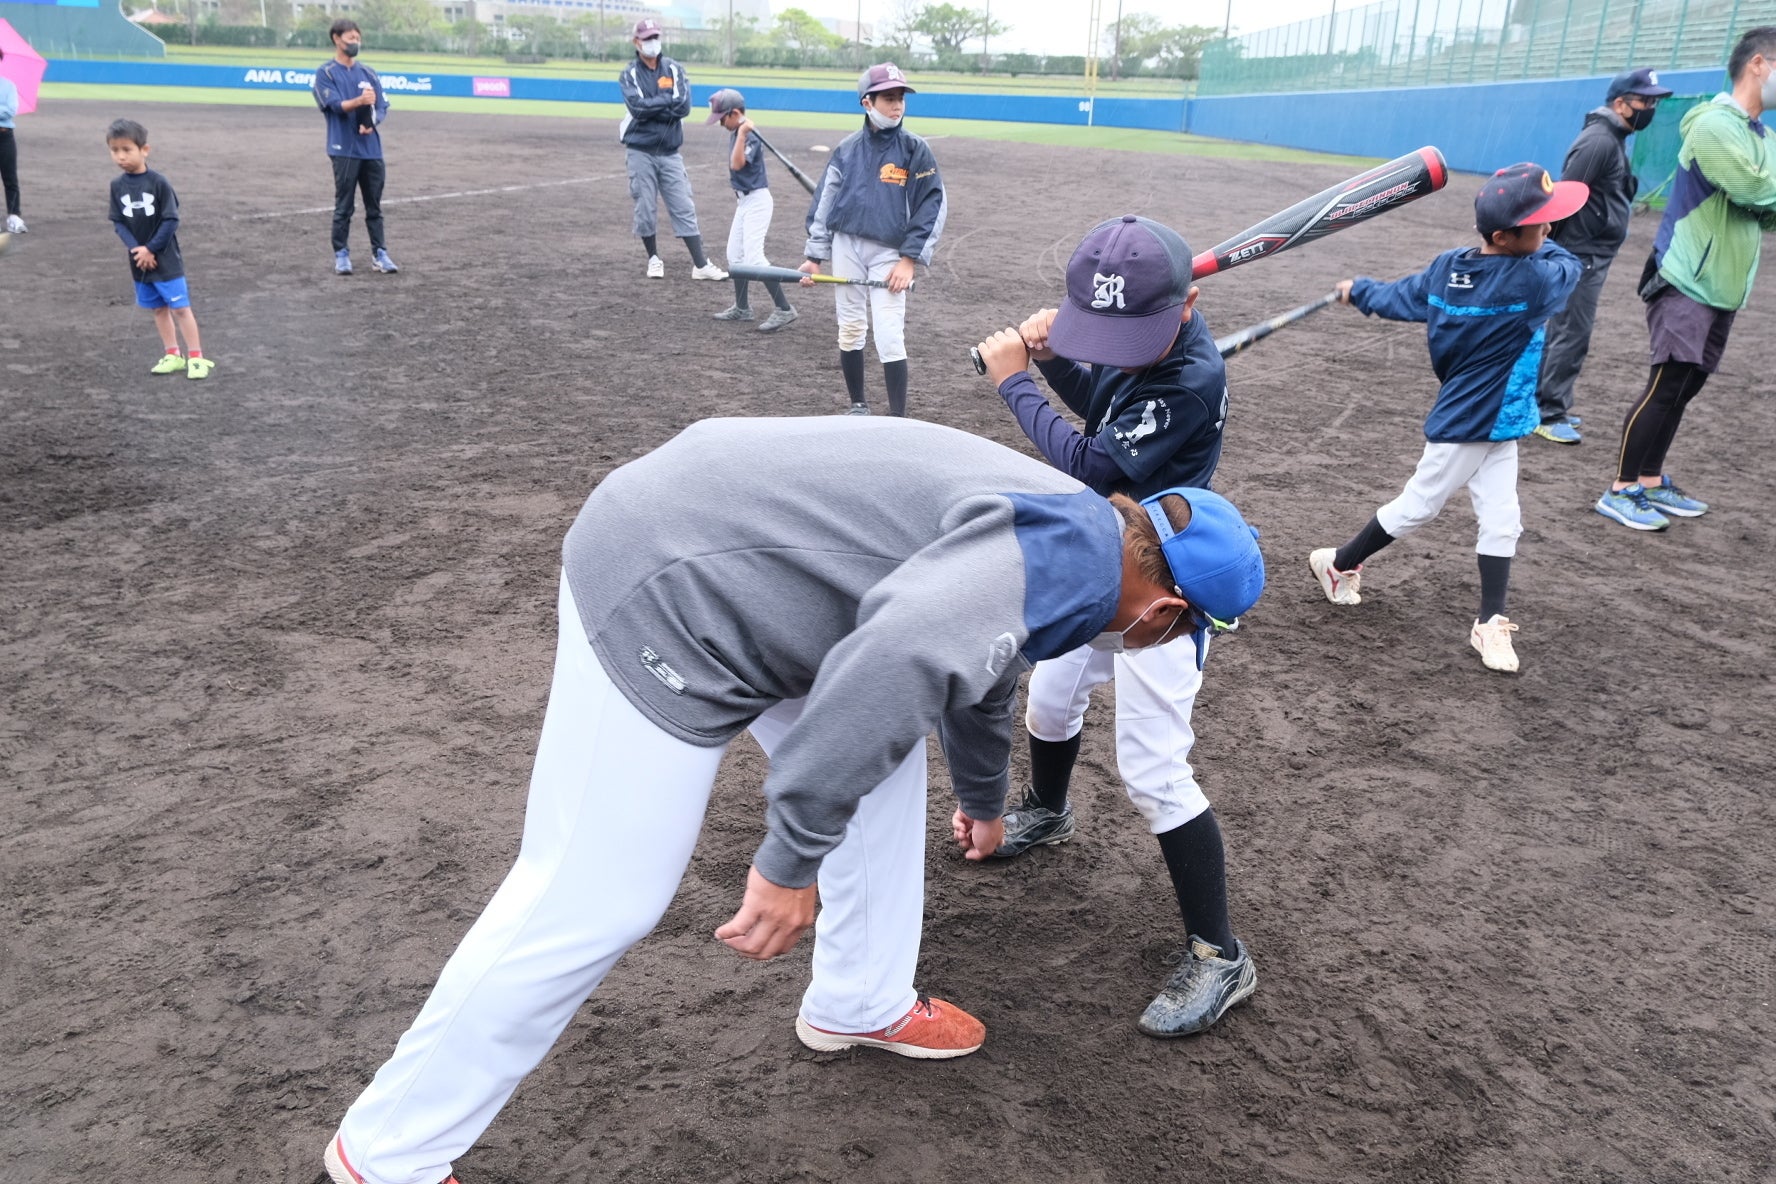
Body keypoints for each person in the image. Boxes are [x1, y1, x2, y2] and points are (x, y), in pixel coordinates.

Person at [320, 415, 1265, 1184]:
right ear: (1165, 614)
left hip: (750, 554)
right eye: (1187, 636)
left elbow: (974, 661)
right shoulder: (1068, 570)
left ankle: (859, 1000)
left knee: (883, 770)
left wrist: (982, 795)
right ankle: (389, 1155)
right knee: (598, 892)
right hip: (673, 577)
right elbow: (899, 661)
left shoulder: (1088, 531)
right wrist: (789, 860)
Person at [970, 214, 1258, 1038]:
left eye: (1124, 339)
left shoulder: (1191, 379)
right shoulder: (1152, 344)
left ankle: (1220, 955)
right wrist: (1059, 360)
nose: (1117, 353)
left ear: (1188, 305)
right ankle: (1049, 809)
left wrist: (1017, 381)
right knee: (1050, 699)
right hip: (1108, 560)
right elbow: (1107, 409)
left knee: (1153, 771)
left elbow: (1093, 462)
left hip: (1165, 589)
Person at [1309, 163, 1584, 673]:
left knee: (1503, 519)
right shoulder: (1534, 281)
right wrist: (1548, 241)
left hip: (1497, 421)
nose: (1549, 228)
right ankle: (1338, 563)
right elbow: (1569, 264)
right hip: (1470, 423)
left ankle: (1490, 621)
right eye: (1538, 224)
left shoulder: (1448, 268)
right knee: (1418, 507)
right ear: (1502, 236)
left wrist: (1360, 291)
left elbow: (1403, 296)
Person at [1595, 25, 1776, 531]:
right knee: (1667, 381)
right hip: (1685, 277)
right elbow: (1754, 191)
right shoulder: (1713, 124)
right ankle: (1620, 488)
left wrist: (1763, 194)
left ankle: (1650, 479)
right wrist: (1762, 194)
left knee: (1687, 385)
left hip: (1725, 284)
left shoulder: (1764, 137)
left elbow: (1768, 209)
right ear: (1758, 64)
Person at [1532, 67, 1673, 446]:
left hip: (1590, 252)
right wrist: (1553, 251)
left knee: (1565, 330)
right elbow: (1564, 197)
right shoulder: (1598, 141)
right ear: (1620, 103)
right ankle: (1548, 412)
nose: (1651, 109)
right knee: (1571, 333)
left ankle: (1543, 403)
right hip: (1580, 253)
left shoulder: (1613, 139)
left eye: (1654, 102)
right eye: (1645, 101)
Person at [800, 63, 946, 417]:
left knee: (889, 332)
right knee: (850, 327)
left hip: (890, 252)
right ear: (867, 102)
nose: (897, 106)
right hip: (846, 245)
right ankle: (858, 405)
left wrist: (909, 260)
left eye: (900, 98)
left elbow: (932, 205)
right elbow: (825, 203)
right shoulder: (846, 149)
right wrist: (814, 257)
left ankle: (897, 418)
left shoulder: (915, 149)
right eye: (888, 98)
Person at [619, 18, 726, 282]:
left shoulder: (674, 69)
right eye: (647, 38)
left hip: (669, 151)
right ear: (636, 42)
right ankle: (654, 258)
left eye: (655, 37)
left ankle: (700, 264)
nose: (652, 42)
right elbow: (637, 109)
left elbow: (683, 107)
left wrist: (654, 104)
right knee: (645, 206)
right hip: (640, 150)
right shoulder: (629, 73)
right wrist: (666, 101)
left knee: (683, 205)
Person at [106, 119, 213, 381]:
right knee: (158, 309)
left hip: (165, 259)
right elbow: (118, 222)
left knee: (180, 308)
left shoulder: (159, 182)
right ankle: (173, 354)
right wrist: (137, 250)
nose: (120, 156)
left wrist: (151, 249)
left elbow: (171, 219)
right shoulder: (116, 186)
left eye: (127, 149)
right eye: (115, 150)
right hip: (139, 260)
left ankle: (196, 357)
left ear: (144, 150)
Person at [707, 88, 797, 332]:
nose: (720, 123)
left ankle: (784, 308)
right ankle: (742, 307)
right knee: (734, 256)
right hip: (744, 202)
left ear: (735, 113)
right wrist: (740, 133)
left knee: (755, 258)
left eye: (722, 118)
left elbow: (737, 164)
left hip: (757, 201)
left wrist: (743, 134)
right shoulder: (739, 131)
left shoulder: (750, 136)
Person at [313, 19, 398, 277]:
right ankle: (341, 254)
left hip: (371, 150)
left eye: (358, 38)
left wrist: (372, 122)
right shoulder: (326, 73)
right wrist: (360, 101)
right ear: (336, 39)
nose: (355, 43)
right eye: (351, 38)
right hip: (343, 149)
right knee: (344, 206)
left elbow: (382, 107)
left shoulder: (369, 73)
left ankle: (380, 253)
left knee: (375, 207)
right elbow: (335, 106)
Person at [0, 49, 25, 235]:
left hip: (5, 136)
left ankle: (14, 217)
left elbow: (10, 110)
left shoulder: (8, 86)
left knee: (10, 178)